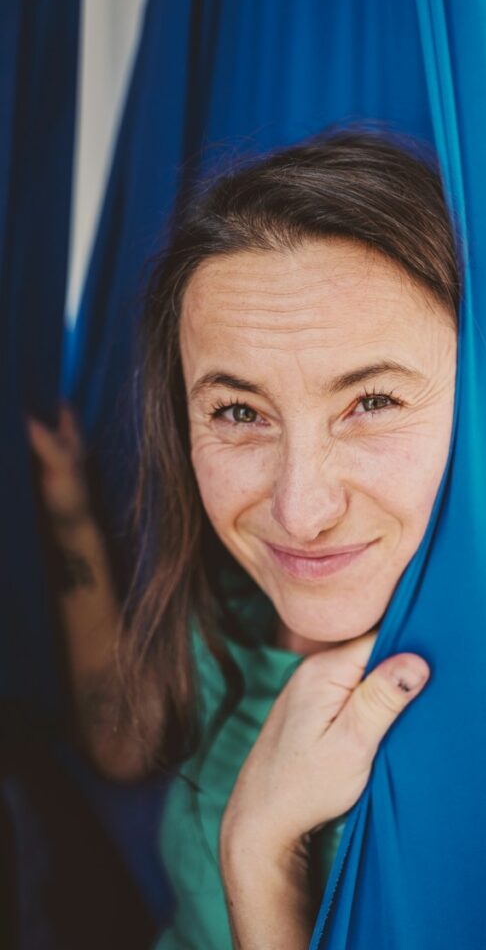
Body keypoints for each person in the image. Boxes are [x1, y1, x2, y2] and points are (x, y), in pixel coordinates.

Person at [26, 127, 462, 949]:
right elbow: (120, 743)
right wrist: (66, 510)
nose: (300, 511)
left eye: (370, 402)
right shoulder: (234, 602)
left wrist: (259, 855)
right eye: (237, 412)